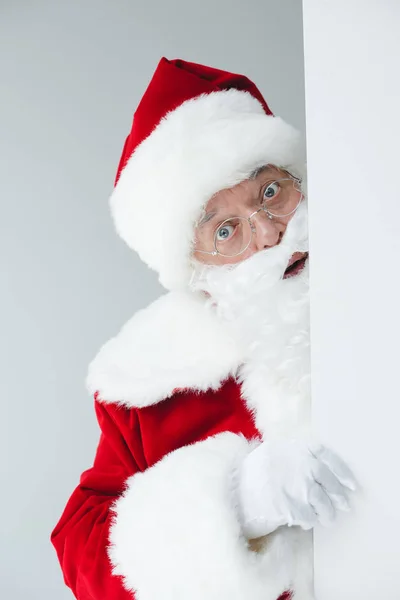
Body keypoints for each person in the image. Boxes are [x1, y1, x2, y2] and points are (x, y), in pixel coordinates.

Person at [51, 57, 356, 600]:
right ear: (198, 275)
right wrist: (241, 500)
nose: (267, 234)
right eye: (225, 229)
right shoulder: (149, 389)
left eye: (269, 192)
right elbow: (82, 548)